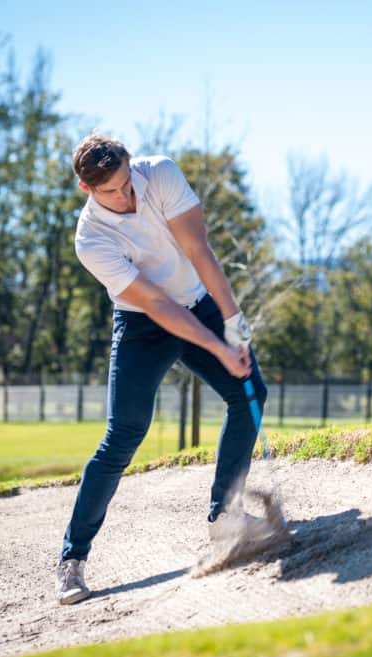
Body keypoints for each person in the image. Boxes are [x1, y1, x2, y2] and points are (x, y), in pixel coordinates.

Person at [55, 133, 268, 605]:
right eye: (111, 191)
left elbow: (198, 250)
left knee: (250, 396)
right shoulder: (91, 239)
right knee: (124, 434)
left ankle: (224, 516)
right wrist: (215, 347)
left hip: (200, 301)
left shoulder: (160, 173)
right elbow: (153, 302)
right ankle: (73, 560)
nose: (126, 196)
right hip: (142, 325)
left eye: (127, 182)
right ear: (86, 190)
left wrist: (232, 321)